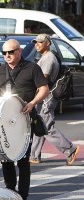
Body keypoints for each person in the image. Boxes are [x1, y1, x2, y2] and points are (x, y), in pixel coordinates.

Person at [0, 38, 49, 200]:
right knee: (6, 157)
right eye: (4, 53)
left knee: (23, 160)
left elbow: (44, 89)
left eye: (11, 52)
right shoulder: (0, 70)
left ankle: (23, 195)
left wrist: (32, 103)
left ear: (19, 51)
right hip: (4, 121)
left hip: (24, 120)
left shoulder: (32, 68)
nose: (7, 55)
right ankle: (10, 190)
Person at [30, 34, 80, 165]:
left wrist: (33, 94)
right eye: (35, 42)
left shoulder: (48, 58)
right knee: (39, 124)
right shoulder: (45, 57)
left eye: (40, 42)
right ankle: (34, 155)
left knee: (46, 127)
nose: (37, 44)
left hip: (47, 97)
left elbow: (43, 79)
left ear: (47, 43)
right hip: (45, 96)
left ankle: (70, 149)